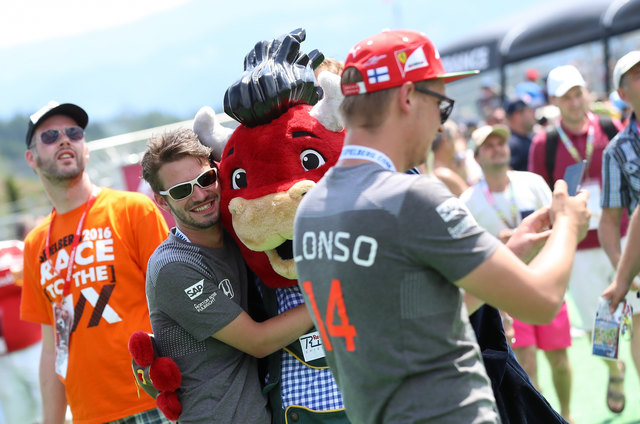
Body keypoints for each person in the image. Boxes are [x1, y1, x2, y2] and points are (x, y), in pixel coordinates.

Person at [293, 29, 589, 423]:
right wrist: (569, 225)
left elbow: (412, 316)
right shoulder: (411, 197)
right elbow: (542, 300)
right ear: (408, 97)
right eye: (442, 106)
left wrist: (508, 253)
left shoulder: (311, 210)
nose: (440, 127)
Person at [140, 128, 315, 423]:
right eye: (182, 190)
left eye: (206, 179)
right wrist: (332, 293)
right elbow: (258, 341)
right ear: (161, 201)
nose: (200, 195)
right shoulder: (173, 266)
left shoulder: (240, 237)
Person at [20, 101, 170, 424]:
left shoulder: (133, 210)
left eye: (73, 133)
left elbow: (176, 305)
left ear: (85, 149)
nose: (64, 140)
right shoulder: (35, 244)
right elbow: (51, 348)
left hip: (154, 402)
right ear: (31, 158)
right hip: (89, 415)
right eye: (50, 136)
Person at [528, 64, 636, 414]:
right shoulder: (543, 143)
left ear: (586, 92)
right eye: (566, 97)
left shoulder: (607, 126)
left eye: (578, 93)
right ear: (555, 101)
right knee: (598, 327)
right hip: (578, 251)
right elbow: (540, 195)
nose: (575, 102)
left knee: (635, 316)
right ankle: (613, 369)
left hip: (623, 237)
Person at [461, 124, 574, 422]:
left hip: (542, 279)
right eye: (489, 145)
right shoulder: (467, 201)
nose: (498, 147)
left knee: (560, 358)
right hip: (503, 293)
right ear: (477, 156)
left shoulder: (532, 182)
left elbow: (555, 222)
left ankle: (567, 412)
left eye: (501, 142)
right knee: (526, 362)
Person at [599, 50, 640, 397]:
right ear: (623, 94)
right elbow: (611, 220)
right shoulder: (615, 151)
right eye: (638, 75)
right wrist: (622, 272)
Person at [0, 239, 42, 424]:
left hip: (35, 346)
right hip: (3, 358)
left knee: (50, 404)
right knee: (17, 415)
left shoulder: (17, 248)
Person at [505, 98, 537, 171]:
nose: (533, 114)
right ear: (517, 115)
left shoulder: (527, 138)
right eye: (530, 111)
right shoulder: (512, 144)